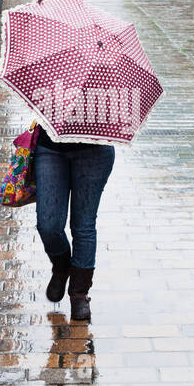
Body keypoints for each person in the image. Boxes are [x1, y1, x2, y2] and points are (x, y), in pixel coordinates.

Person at [34, 133, 115, 321]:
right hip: (50, 148)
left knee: (84, 225)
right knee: (48, 224)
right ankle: (61, 267)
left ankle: (79, 293)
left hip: (95, 149)